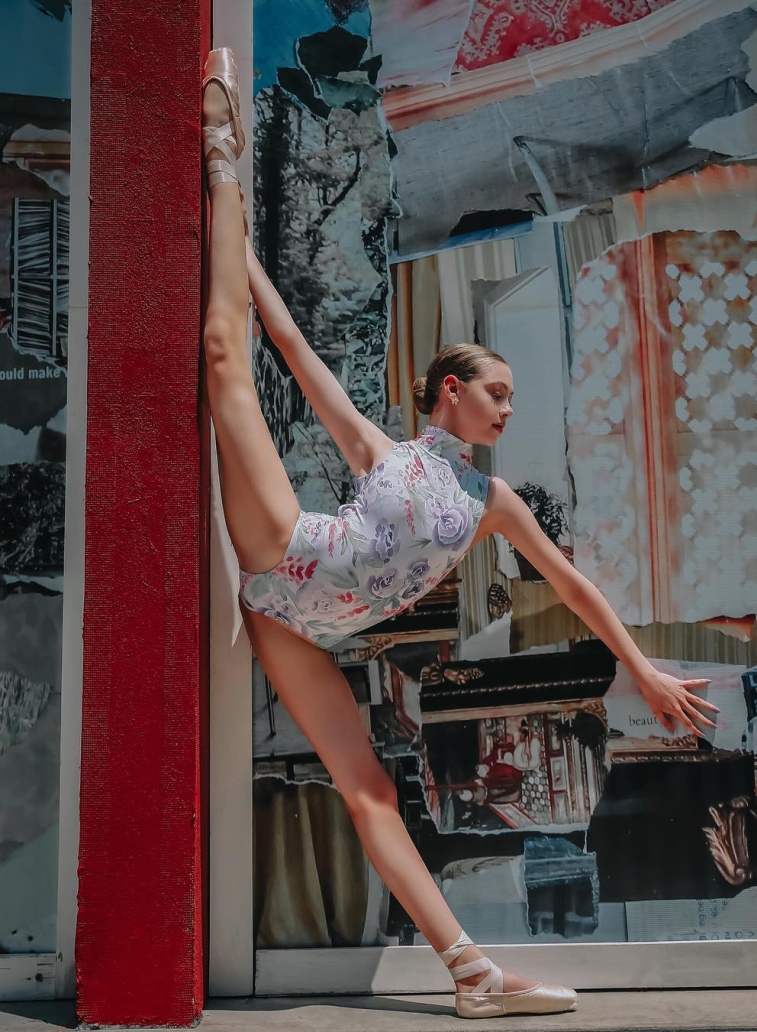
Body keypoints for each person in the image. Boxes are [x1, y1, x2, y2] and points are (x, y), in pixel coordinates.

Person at [201, 48, 719, 1020]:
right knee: (229, 354)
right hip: (289, 555)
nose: (508, 409)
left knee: (373, 800)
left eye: (512, 398)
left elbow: (572, 587)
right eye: (498, 393)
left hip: (302, 630)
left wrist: (639, 667)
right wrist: (240, 253)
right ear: (452, 391)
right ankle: (221, 159)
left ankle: (471, 975)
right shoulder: (385, 453)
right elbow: (290, 346)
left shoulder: (491, 503)